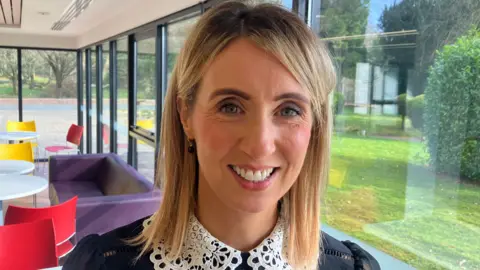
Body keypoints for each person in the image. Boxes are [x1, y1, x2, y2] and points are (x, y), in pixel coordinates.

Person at [64, 1, 381, 269]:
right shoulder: (101, 263)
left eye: (288, 110)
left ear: (315, 127)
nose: (259, 144)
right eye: (230, 107)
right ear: (185, 114)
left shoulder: (354, 267)